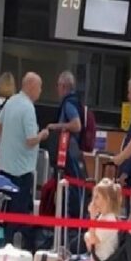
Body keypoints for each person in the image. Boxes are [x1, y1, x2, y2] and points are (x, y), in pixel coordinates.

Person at [0, 72, 49, 250]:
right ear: (31, 86)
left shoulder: (11, 101)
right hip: (21, 170)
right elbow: (30, 140)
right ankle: (13, 246)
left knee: (3, 208)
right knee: (18, 212)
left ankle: (0, 244)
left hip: (4, 165)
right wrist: (42, 135)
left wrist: (6, 143)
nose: (40, 91)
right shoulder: (28, 108)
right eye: (40, 87)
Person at [60, 179, 123, 261]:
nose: (93, 201)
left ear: (107, 199)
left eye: (97, 197)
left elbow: (92, 240)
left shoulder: (108, 221)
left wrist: (92, 217)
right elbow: (91, 243)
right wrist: (88, 235)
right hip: (97, 260)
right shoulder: (104, 217)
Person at [47, 71, 89, 227]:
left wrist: (56, 126)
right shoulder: (76, 101)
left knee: (69, 185)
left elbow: (76, 125)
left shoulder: (68, 104)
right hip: (74, 151)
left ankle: (69, 222)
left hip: (68, 152)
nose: (57, 88)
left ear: (64, 86)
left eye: (58, 85)